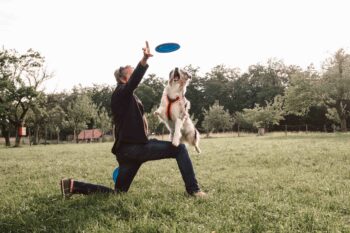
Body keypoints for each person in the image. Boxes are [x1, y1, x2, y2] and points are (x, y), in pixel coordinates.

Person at [60, 41, 206, 198]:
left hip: (127, 151)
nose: (134, 74)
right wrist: (144, 61)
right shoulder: (121, 92)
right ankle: (194, 190)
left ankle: (73, 186)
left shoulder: (126, 95)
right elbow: (135, 81)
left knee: (118, 193)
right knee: (180, 149)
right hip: (135, 149)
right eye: (132, 72)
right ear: (124, 78)